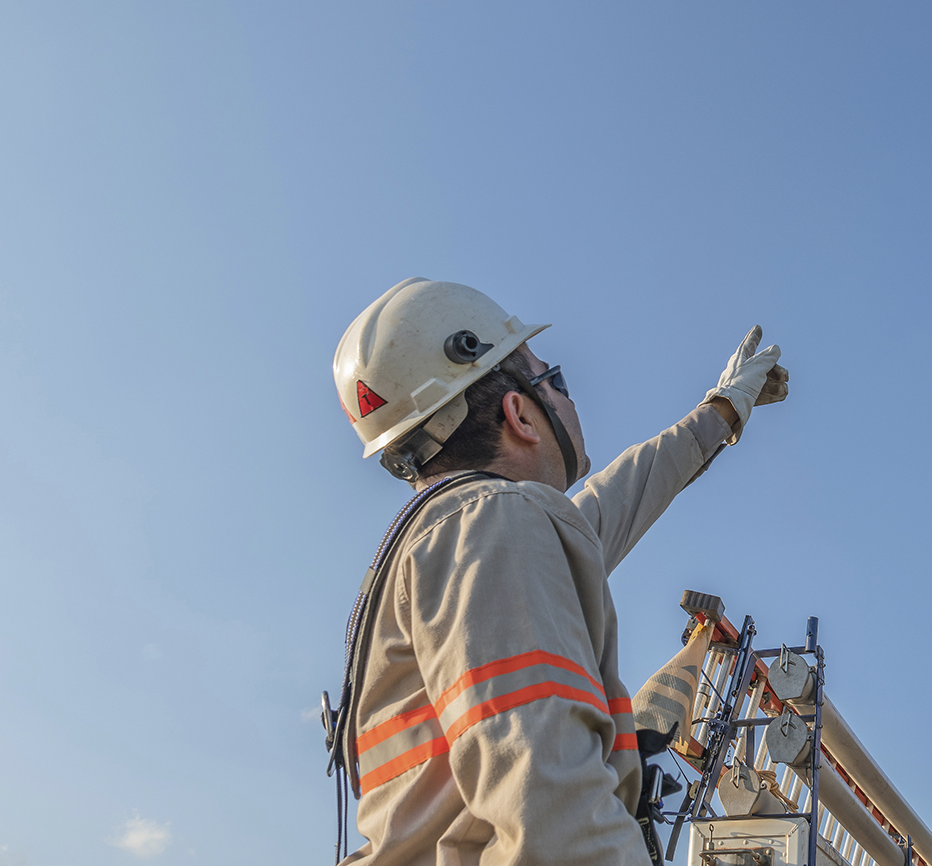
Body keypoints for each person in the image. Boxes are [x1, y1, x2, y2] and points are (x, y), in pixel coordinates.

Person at [324, 277, 788, 865]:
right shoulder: (496, 526)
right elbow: (553, 813)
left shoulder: (457, 541)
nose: (568, 398)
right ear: (519, 412)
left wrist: (723, 408)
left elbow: (622, 496)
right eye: (555, 379)